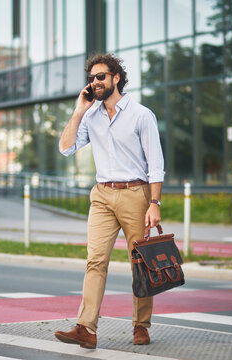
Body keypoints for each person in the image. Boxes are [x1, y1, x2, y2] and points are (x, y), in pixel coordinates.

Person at [54, 53, 165, 349]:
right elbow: (65, 148)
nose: (95, 82)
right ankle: (86, 328)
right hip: (102, 195)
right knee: (95, 260)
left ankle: (141, 325)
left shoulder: (141, 115)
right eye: (91, 78)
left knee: (140, 263)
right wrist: (78, 111)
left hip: (135, 194)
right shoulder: (90, 116)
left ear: (116, 78)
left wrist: (155, 203)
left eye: (100, 77)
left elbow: (156, 165)